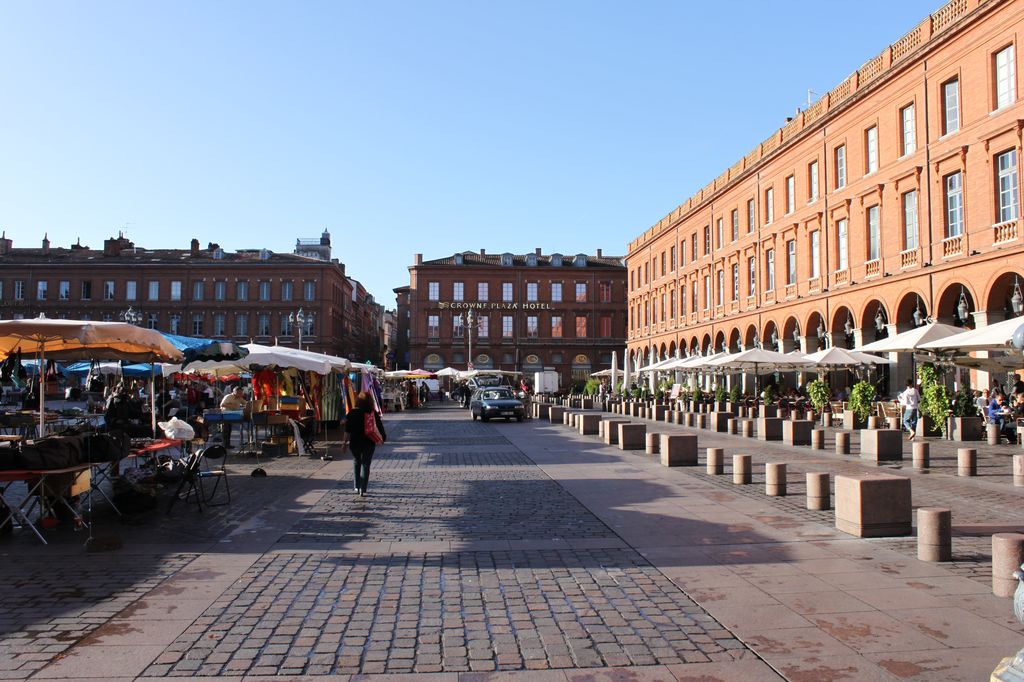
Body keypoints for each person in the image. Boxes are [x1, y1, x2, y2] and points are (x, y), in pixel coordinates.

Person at [345, 391, 387, 496]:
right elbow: (380, 426)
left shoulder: (352, 413)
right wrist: (383, 438)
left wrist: (343, 443)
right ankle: (363, 488)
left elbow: (347, 430)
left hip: (355, 442)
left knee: (356, 462)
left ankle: (356, 486)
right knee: (366, 464)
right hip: (369, 441)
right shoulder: (373, 412)